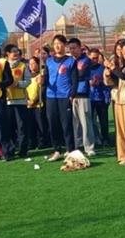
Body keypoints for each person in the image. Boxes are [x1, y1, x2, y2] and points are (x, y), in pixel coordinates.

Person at [45, 34, 77, 162]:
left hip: (65, 96)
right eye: (55, 44)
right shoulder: (48, 61)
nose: (58, 46)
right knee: (53, 123)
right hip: (51, 96)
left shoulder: (71, 61)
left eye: (60, 43)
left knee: (66, 124)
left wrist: (72, 95)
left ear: (65, 45)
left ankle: (70, 149)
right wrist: (42, 80)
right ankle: (57, 149)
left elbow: (75, 80)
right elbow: (46, 78)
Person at [68, 38, 96, 156]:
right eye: (70, 48)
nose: (72, 50)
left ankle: (89, 147)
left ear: (80, 48)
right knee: (75, 122)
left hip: (83, 94)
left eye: (74, 48)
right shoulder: (69, 61)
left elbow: (79, 74)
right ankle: (77, 145)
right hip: (71, 95)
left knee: (86, 122)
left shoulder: (86, 60)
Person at [88, 49, 111, 149]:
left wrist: (100, 83)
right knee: (90, 121)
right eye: (92, 58)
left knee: (103, 121)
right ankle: (93, 139)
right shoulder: (86, 69)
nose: (94, 60)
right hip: (90, 98)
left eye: (96, 58)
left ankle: (105, 139)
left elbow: (108, 83)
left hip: (101, 98)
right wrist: (89, 83)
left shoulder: (102, 69)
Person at [27, 56, 48, 149]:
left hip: (39, 103)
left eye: (34, 63)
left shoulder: (41, 76)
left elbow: (41, 90)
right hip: (28, 104)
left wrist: (34, 100)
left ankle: (43, 142)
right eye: (30, 64)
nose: (32, 65)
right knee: (30, 125)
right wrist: (28, 100)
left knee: (41, 124)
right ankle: (32, 142)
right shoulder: (27, 76)